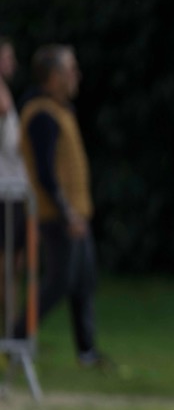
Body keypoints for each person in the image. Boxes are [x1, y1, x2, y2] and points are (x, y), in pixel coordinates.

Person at [14, 45, 106, 368]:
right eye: (70, 70)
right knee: (57, 285)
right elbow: (45, 172)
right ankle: (16, 340)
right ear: (53, 77)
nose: (76, 76)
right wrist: (67, 212)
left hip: (76, 213)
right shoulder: (42, 114)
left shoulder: (61, 110)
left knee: (83, 281)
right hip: (58, 215)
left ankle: (86, 351)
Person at [0, 37, 30, 324]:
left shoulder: (6, 93)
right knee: (7, 261)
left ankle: (12, 326)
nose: (13, 63)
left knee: (16, 262)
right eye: (7, 57)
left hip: (17, 189)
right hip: (5, 190)